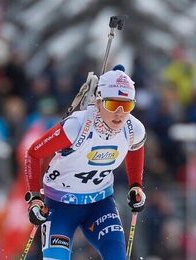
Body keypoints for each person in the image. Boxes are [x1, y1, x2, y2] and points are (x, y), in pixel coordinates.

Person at [24, 68, 147, 259]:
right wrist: (34, 197)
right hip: (60, 205)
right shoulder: (76, 127)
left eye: (127, 106)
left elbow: (136, 148)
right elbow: (33, 153)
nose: (120, 113)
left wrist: (136, 186)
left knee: (116, 256)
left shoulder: (134, 129)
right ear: (98, 103)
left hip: (99, 203)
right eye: (113, 104)